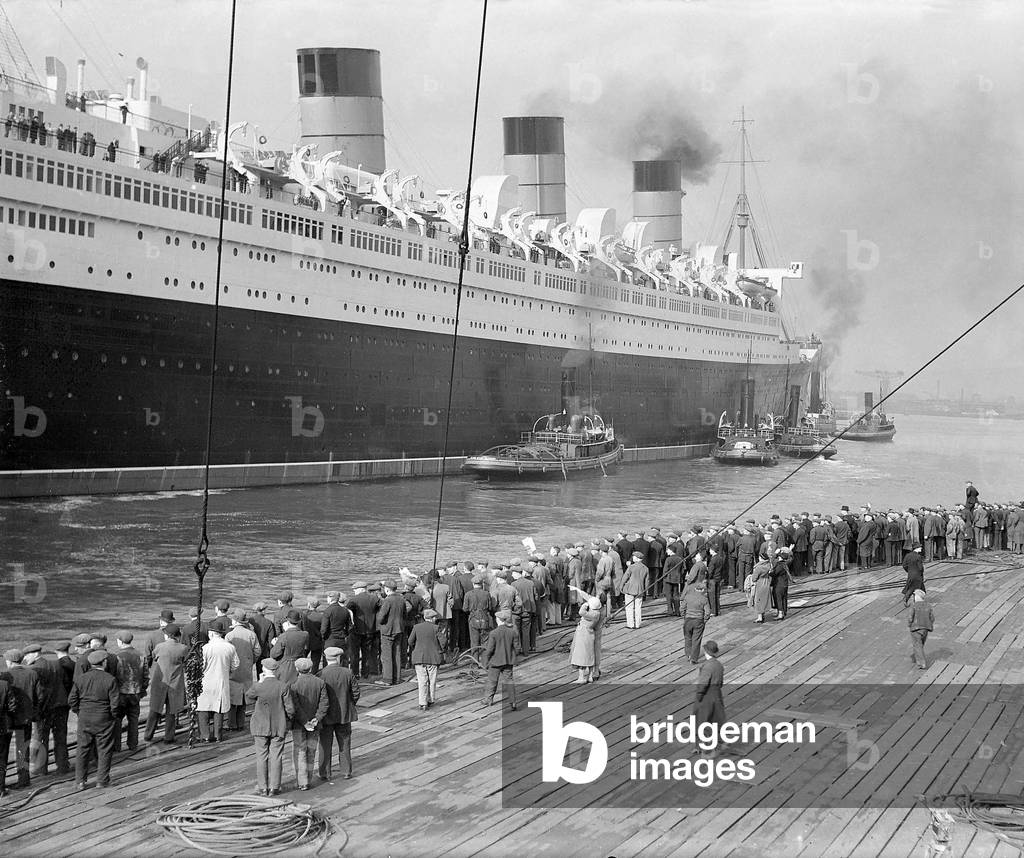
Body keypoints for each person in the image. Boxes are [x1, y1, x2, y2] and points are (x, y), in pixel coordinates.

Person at [68, 650, 119, 790]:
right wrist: (112, 716)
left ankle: (80, 781)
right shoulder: (110, 679)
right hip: (104, 718)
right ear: (104, 662)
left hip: (85, 717)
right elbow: (115, 703)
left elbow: (72, 700)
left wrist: (79, 711)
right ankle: (102, 781)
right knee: (105, 749)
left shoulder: (81, 679)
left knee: (82, 749)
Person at [246, 658, 294, 797]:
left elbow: (248, 697)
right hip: (278, 726)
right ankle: (274, 787)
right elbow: (290, 709)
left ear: (264, 670)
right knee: (276, 756)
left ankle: (263, 787)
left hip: (260, 726)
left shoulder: (258, 686)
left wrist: (260, 682)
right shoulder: (283, 686)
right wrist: (288, 721)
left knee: (261, 756)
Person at [318, 647, 359, 781]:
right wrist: (349, 704)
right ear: (339, 658)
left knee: (324, 744)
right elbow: (356, 693)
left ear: (325, 658)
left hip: (326, 716)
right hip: (344, 714)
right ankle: (346, 771)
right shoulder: (347, 673)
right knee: (345, 743)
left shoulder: (320, 674)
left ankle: (324, 772)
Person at [196, 617, 239, 743]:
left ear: (211, 633)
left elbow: (201, 666)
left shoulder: (205, 648)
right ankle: (218, 735)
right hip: (222, 681)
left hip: (206, 682)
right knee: (218, 709)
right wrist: (227, 670)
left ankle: (205, 735)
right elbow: (236, 664)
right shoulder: (230, 647)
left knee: (203, 708)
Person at [4, 648, 41, 789]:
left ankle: (2, 781)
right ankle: (24, 779)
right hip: (25, 717)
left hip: (8, 718)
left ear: (9, 661)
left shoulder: (5, 675)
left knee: (3, 750)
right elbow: (40, 695)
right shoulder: (32, 673)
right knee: (22, 749)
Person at [145, 624, 188, 744]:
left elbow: (153, 657)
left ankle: (148, 734)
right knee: (172, 711)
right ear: (177, 636)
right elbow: (186, 661)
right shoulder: (183, 648)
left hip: (159, 682)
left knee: (154, 709)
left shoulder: (159, 647)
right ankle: (169, 737)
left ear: (166, 635)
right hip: (175, 683)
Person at [289, 658, 328, 791]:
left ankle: (302, 781)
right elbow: (324, 703)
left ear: (297, 669)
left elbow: (295, 706)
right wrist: (317, 719)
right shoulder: (320, 682)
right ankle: (309, 779)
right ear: (310, 668)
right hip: (315, 724)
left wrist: (305, 721)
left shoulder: (293, 684)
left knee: (300, 751)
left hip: (299, 725)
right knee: (311, 751)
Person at [113, 631, 148, 752]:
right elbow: (146, 676)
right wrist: (142, 690)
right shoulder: (140, 655)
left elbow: (114, 677)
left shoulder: (117, 656)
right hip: (135, 693)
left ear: (120, 641)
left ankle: (116, 746)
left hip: (120, 694)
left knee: (117, 720)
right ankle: (133, 745)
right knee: (133, 720)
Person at [226, 610, 261, 731]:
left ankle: (231, 724)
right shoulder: (251, 634)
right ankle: (241, 723)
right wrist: (250, 662)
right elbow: (257, 651)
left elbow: (226, 654)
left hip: (232, 670)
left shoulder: (229, 636)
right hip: (246, 668)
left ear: (235, 621)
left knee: (232, 697)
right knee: (244, 697)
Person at [480, 610, 521, 709]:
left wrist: (485, 661)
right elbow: (517, 648)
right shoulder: (513, 632)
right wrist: (513, 656)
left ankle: (488, 700)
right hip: (508, 661)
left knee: (492, 680)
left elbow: (489, 650)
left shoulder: (493, 633)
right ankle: (513, 702)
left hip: (495, 661)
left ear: (498, 620)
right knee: (509, 681)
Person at [693, 640, 725, 756]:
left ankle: (702, 747)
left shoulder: (707, 667)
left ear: (706, 652)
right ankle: (716, 745)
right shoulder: (719, 665)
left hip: (707, 695)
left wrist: (699, 695)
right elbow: (721, 682)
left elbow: (703, 683)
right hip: (717, 694)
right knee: (716, 720)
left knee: (702, 721)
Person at [409, 609, 444, 710]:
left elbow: (410, 641)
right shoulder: (436, 628)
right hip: (433, 658)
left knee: (422, 681)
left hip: (419, 658)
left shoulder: (416, 627)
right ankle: (431, 699)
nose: (436, 619)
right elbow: (443, 641)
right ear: (432, 618)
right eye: (435, 617)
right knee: (432, 680)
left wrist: (417, 648)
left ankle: (422, 702)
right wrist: (441, 650)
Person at [376, 580, 406, 686]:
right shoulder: (401, 599)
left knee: (387, 655)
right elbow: (404, 613)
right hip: (399, 629)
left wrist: (379, 623)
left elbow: (381, 617)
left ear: (387, 589)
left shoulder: (387, 601)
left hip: (388, 630)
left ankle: (387, 679)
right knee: (397, 653)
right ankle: (397, 678)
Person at [347, 582, 379, 678]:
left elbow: (346, 612)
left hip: (356, 630)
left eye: (355, 589)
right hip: (371, 630)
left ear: (361, 589)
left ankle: (355, 674)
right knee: (367, 653)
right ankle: (365, 673)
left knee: (354, 654)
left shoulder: (353, 600)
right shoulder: (374, 598)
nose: (354, 591)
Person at [568, 595, 603, 683]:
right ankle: (590, 676)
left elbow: (581, 612)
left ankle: (581, 678)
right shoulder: (598, 613)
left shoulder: (592, 614)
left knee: (581, 655)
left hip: (583, 634)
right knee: (590, 655)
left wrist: (585, 604)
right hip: (590, 634)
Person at [269, 610, 310, 686]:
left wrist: (275, 643)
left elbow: (274, 654)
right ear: (298, 621)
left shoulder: (284, 636)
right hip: (299, 664)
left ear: (288, 622)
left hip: (285, 666)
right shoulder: (305, 634)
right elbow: (306, 649)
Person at [464, 574, 496, 655]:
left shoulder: (468, 594)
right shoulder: (487, 594)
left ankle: (475, 661)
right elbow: (490, 607)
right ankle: (485, 660)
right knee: (485, 641)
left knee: (474, 641)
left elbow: (465, 608)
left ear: (473, 584)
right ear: (482, 584)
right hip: (485, 618)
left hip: (473, 619)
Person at [681, 582, 711, 665]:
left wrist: (684, 617)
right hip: (698, 621)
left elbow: (682, 608)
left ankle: (688, 655)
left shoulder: (687, 597)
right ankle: (694, 658)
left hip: (688, 620)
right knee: (696, 640)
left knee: (687, 638)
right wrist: (704, 620)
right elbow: (708, 612)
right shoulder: (704, 599)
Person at [621, 550, 649, 630]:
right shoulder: (646, 568)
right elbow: (647, 581)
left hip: (630, 590)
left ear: (637, 558)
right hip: (640, 590)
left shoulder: (631, 567)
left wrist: (621, 587)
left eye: (634, 556)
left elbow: (625, 578)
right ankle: (638, 624)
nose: (632, 558)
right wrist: (645, 590)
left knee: (629, 607)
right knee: (638, 607)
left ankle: (630, 624)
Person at [907, 590, 934, 670]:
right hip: (925, 628)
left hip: (916, 628)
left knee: (917, 645)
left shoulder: (914, 606)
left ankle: (921, 663)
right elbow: (932, 618)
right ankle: (918, 656)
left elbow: (910, 617)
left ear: (916, 597)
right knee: (921, 644)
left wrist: (909, 624)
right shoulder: (928, 606)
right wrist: (929, 623)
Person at [0, 670, 16, 796]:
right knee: (2, 757)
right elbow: (12, 706)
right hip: (3, 726)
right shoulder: (5, 685)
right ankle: (1, 788)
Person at [663, 545, 684, 617]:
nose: (667, 551)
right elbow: (683, 570)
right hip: (677, 579)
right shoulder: (680, 559)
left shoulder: (668, 559)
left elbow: (665, 570)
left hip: (668, 579)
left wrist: (664, 577)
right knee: (676, 595)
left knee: (668, 595)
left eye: (668, 550)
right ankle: (677, 610)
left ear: (671, 551)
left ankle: (670, 610)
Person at [751, 555, 773, 623]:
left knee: (758, 600)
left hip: (760, 583)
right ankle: (763, 614)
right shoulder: (768, 565)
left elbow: (754, 578)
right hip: (766, 582)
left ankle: (760, 617)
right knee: (764, 599)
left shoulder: (758, 567)